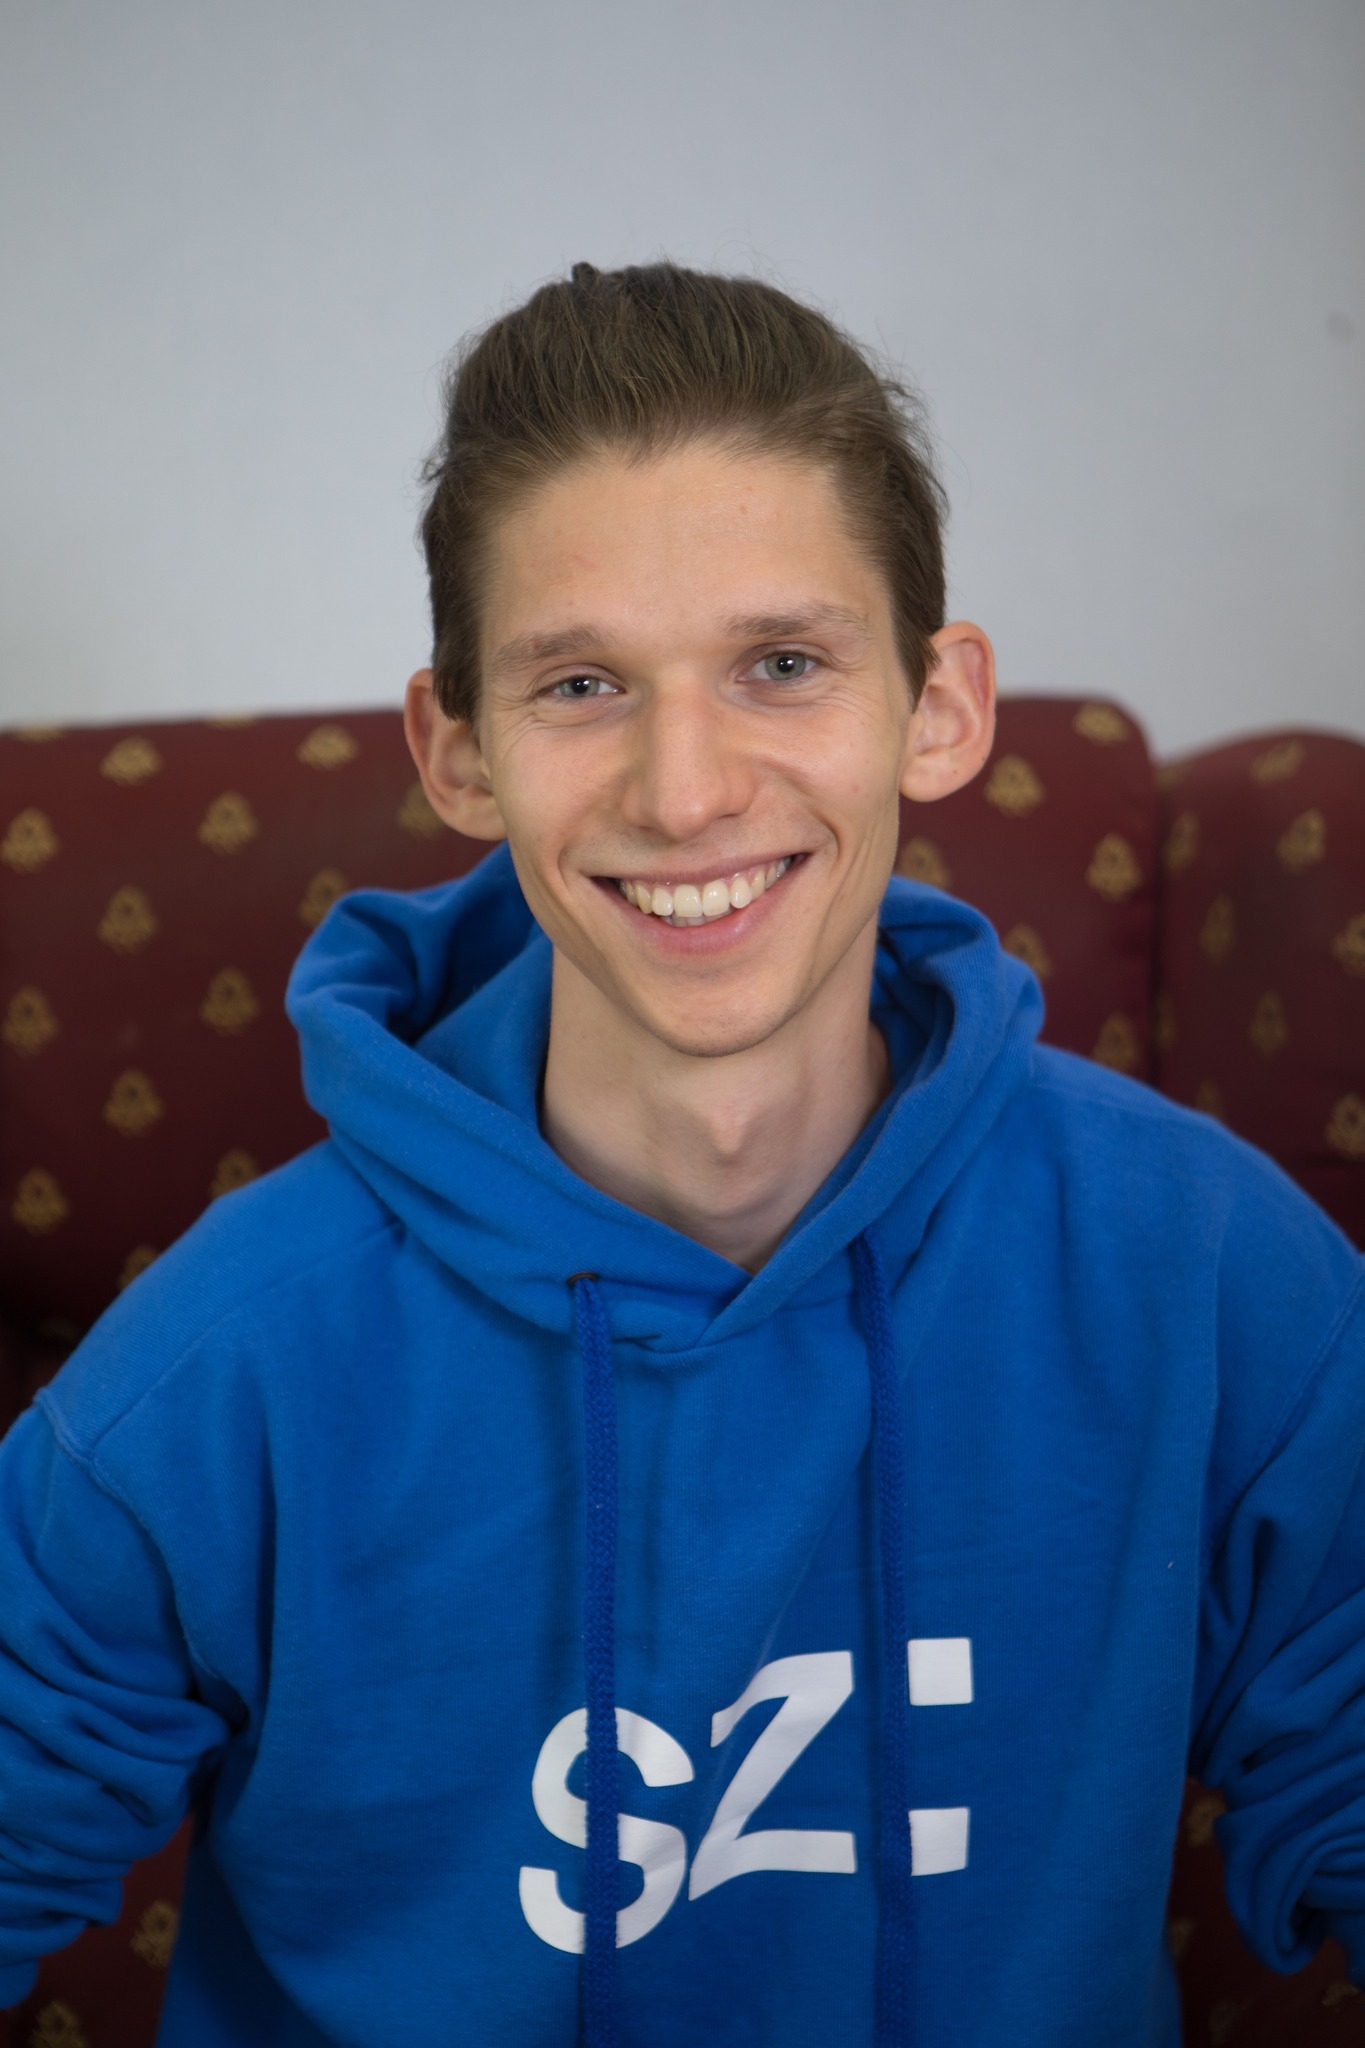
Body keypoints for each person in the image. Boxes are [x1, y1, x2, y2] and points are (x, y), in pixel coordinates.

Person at [0, 262, 1362, 2048]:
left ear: (938, 708)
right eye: (580, 684)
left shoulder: (1213, 1271)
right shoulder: (215, 1369)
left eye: (780, 665)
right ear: (458, 753)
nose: (685, 789)